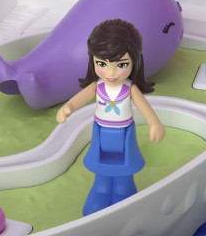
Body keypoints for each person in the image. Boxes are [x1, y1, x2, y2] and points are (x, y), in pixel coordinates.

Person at [56, 18, 165, 216]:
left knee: (124, 172)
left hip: (124, 135)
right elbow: (78, 99)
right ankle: (101, 191)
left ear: (135, 61)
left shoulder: (129, 88)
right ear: (92, 61)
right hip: (101, 133)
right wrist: (68, 107)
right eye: (102, 64)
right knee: (102, 171)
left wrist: (154, 124)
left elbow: (144, 107)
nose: (111, 72)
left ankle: (124, 193)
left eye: (121, 64)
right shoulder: (97, 87)